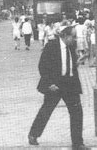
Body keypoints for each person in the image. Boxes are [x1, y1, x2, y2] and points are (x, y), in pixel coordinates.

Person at [28, 20, 85, 148]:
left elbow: (70, 64)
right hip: (55, 84)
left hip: (70, 84)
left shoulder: (72, 46)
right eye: (73, 36)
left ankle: (78, 143)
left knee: (77, 112)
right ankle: (33, 134)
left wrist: (78, 61)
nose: (75, 39)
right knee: (47, 110)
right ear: (65, 36)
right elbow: (42, 66)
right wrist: (49, 83)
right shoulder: (51, 46)